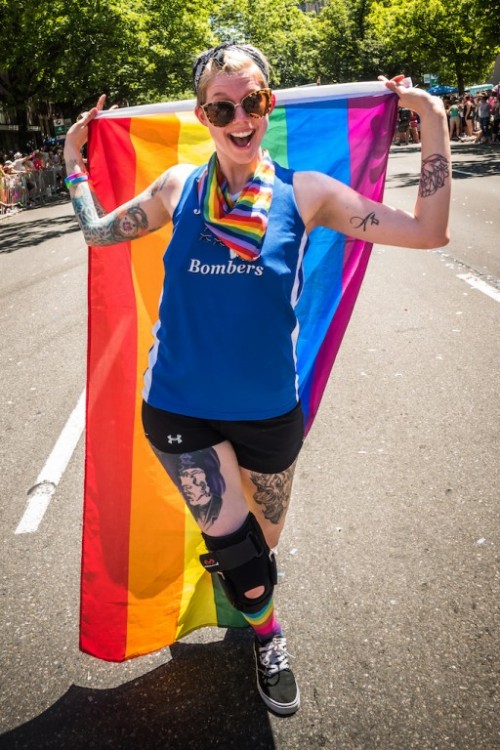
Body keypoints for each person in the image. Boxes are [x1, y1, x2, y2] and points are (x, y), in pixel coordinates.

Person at [64, 42, 451, 717]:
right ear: (202, 114)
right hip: (180, 411)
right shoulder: (176, 188)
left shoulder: (307, 194)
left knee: (259, 553)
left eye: (253, 101)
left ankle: (242, 592)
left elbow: (427, 232)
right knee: (247, 569)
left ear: (268, 102)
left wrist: (433, 117)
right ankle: (268, 637)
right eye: (222, 107)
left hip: (270, 418)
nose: (239, 118)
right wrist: (74, 161)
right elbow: (99, 234)